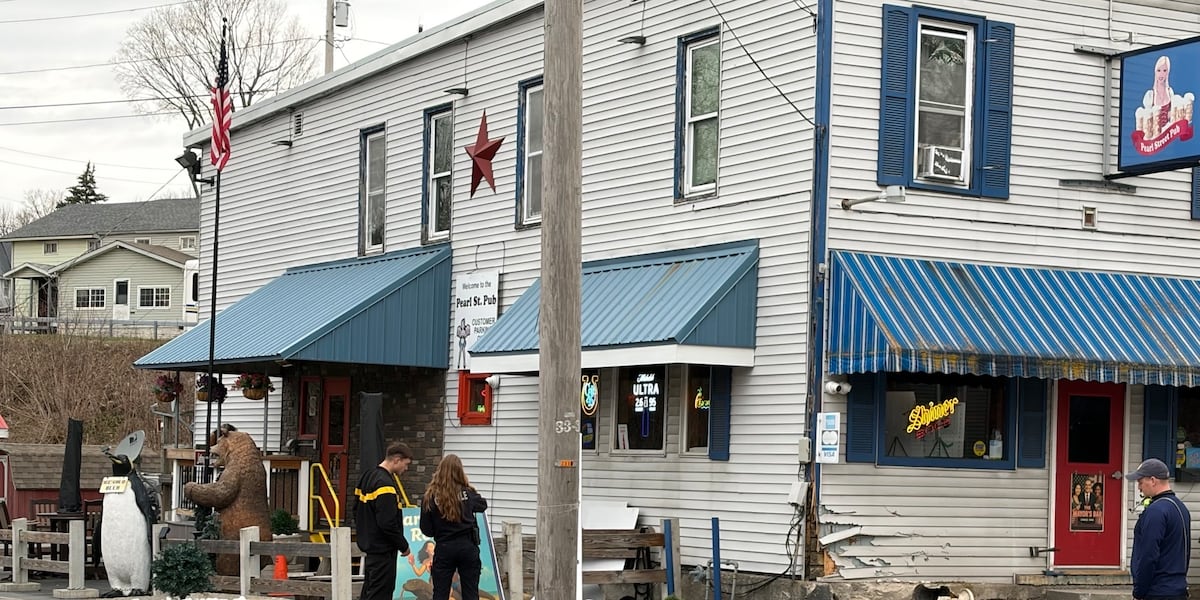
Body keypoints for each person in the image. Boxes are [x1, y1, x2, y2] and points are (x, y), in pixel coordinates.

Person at [420, 454, 488, 600]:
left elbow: (426, 529)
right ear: (460, 472)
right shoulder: (468, 493)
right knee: (471, 592)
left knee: (440, 593)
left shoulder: (430, 497)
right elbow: (482, 505)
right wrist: (466, 490)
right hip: (467, 546)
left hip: (444, 548)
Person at [354, 442, 413, 600]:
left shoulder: (367, 477)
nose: (405, 469)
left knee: (369, 592)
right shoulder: (385, 484)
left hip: (371, 548)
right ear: (396, 459)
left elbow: (356, 510)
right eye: (405, 464)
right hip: (383, 551)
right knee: (380, 594)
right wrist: (403, 545)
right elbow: (387, 522)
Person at [1126, 458, 1191, 600]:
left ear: (1153, 480)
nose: (1139, 487)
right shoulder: (1181, 508)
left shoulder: (1156, 511)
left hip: (1157, 591)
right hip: (1178, 589)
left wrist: (1139, 591)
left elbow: (1148, 555)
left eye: (1140, 482)